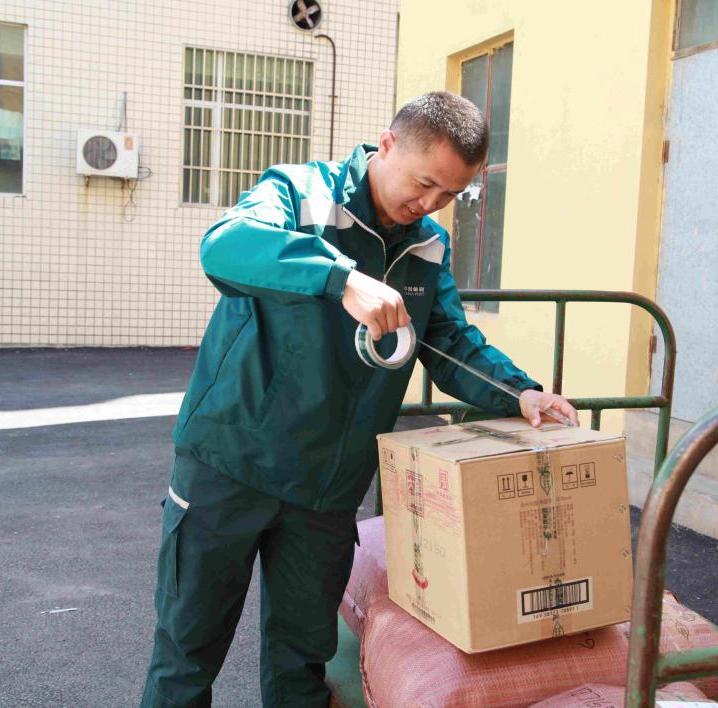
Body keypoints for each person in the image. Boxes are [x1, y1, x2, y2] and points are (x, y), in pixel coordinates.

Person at [140, 91, 579, 707]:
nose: (429, 204)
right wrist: (339, 277)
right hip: (230, 464)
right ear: (388, 144)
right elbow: (225, 244)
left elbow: (449, 341)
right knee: (187, 655)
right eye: (424, 183)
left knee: (301, 663)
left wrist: (520, 392)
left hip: (326, 487)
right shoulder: (299, 195)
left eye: (449, 195)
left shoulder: (426, 246)